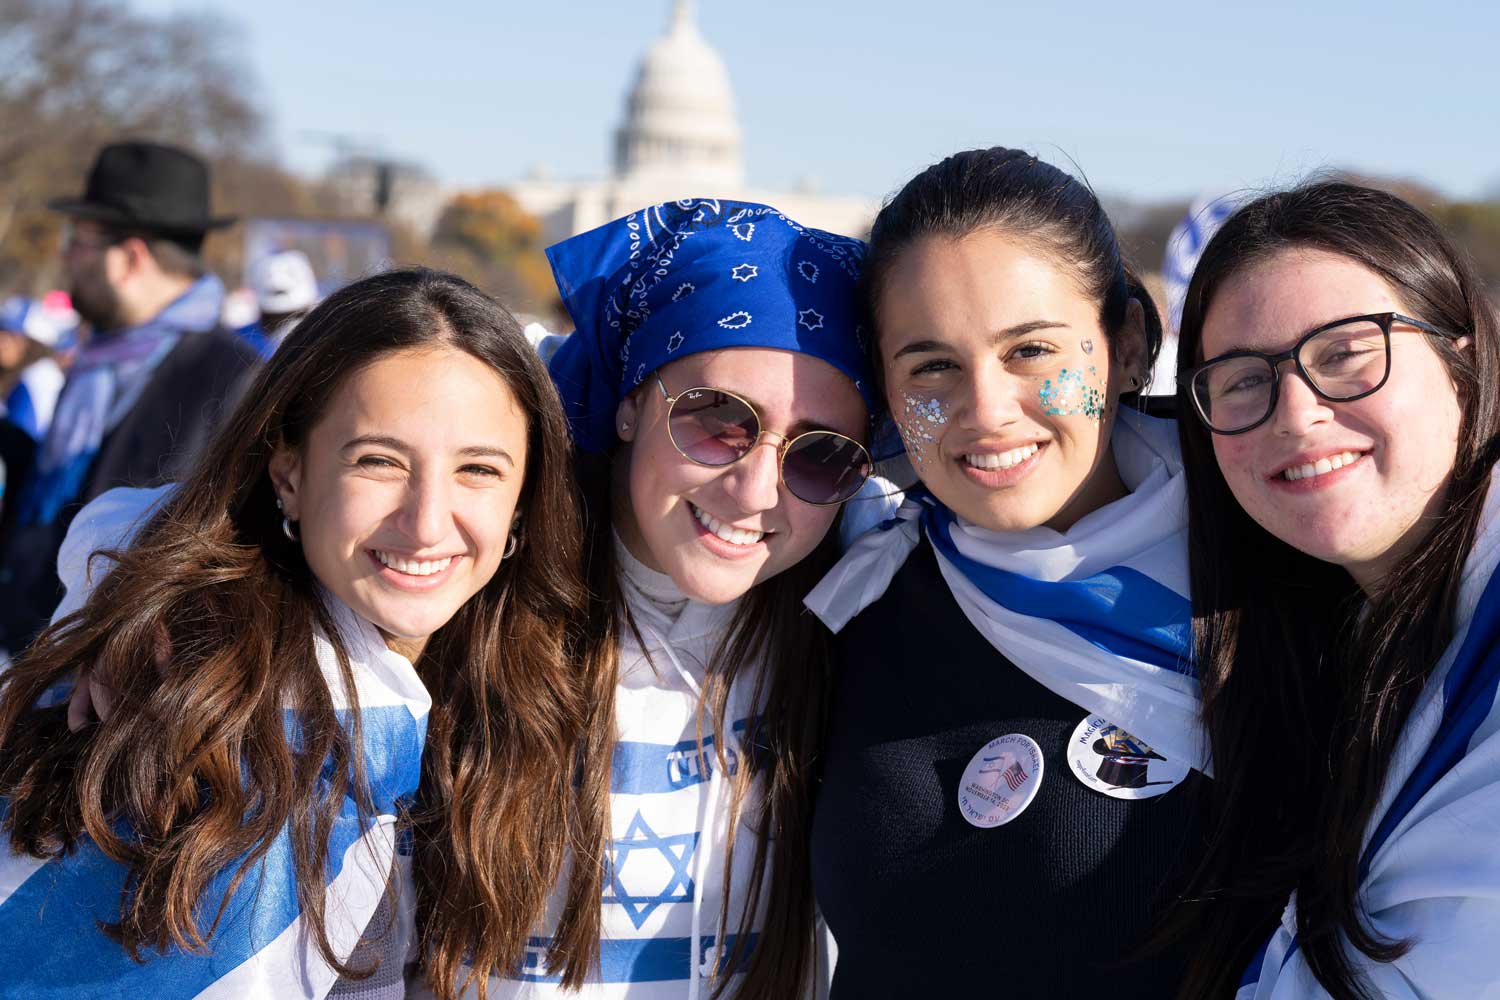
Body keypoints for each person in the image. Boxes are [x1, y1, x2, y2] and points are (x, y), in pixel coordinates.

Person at [0, 269, 603, 999]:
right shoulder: (177, 698)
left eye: (479, 469)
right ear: (288, 472)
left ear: (524, 496)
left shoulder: (507, 667)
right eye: (378, 461)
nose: (427, 521)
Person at [445, 199, 879, 1000]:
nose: (755, 491)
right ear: (631, 399)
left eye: (818, 455)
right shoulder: (470, 586)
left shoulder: (863, 609)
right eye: (719, 419)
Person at [802, 148, 1207, 996]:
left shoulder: (1291, 571)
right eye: (932, 367)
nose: (985, 412)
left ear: (1127, 344)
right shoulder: (843, 596)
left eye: (1030, 351)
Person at [1170, 182, 1500, 999]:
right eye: (1243, 379)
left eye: (1347, 352)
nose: (1297, 413)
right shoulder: (1323, 650)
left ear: (1461, 355)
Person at [0, 141, 260, 656]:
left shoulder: (231, 377)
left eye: (78, 240)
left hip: (110, 690)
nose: (65, 255)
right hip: (30, 656)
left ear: (130, 258)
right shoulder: (100, 359)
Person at [235, 249, 321, 358]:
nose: (286, 329)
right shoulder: (238, 342)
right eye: (274, 319)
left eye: (297, 315)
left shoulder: (325, 338)